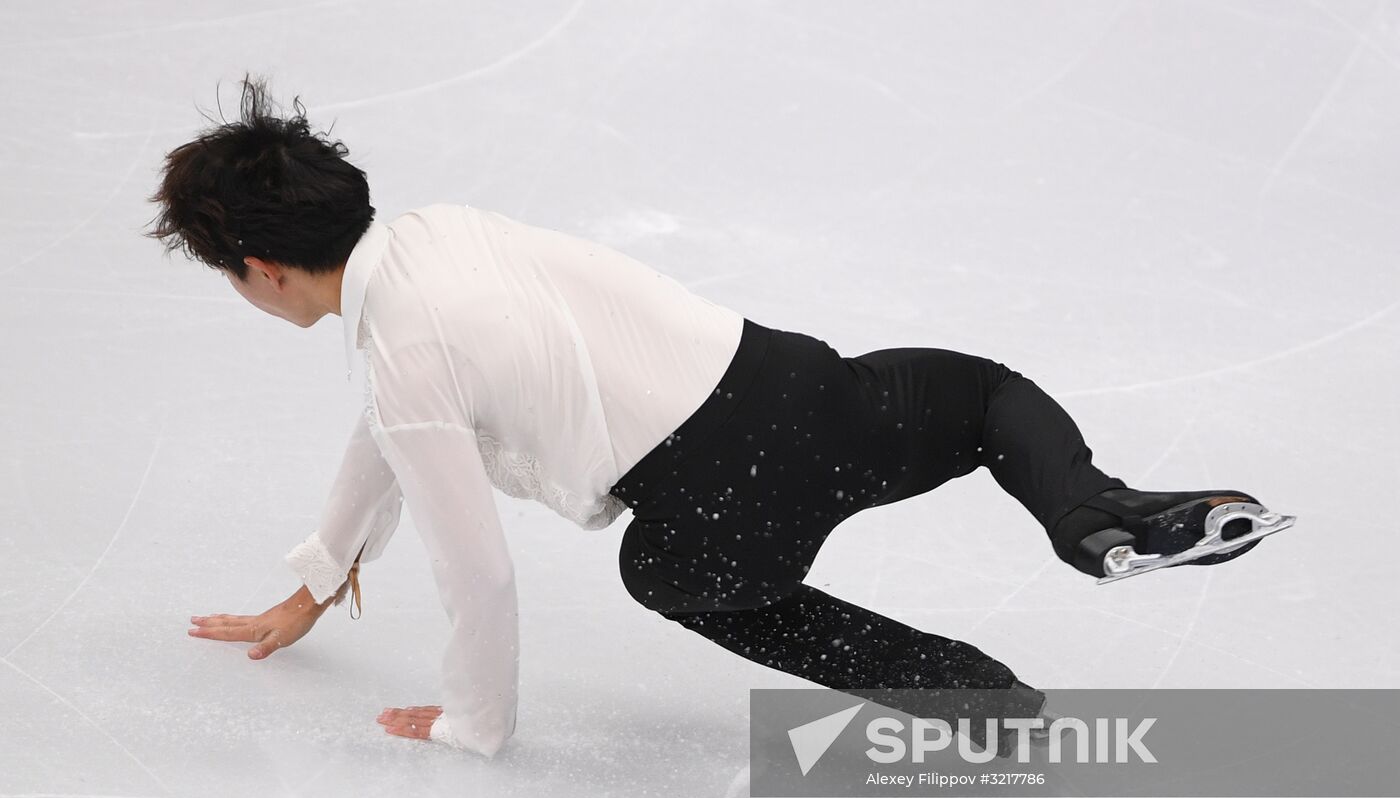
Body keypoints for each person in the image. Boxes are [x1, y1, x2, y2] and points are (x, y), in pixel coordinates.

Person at [153, 77, 1293, 759]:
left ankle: (971, 693)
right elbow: (394, 427)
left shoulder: (402, 358)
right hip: (805, 387)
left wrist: (472, 722)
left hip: (715, 499)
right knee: (983, 394)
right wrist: (318, 574)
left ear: (259, 270)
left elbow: (479, 571)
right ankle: (1092, 509)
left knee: (682, 578)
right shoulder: (445, 231)